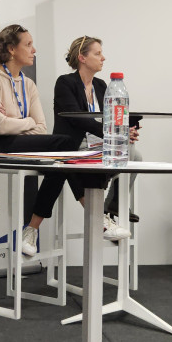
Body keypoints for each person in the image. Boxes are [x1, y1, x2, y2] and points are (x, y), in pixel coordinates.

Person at [0, 25, 108, 256]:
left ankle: (33, 228)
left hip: (16, 141)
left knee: (63, 154)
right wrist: (26, 122)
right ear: (11, 49)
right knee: (66, 145)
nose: (34, 49)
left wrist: (15, 122)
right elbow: (0, 126)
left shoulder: (28, 84)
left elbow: (41, 127)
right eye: (28, 45)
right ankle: (96, 213)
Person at [52, 36, 134, 237]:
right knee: (93, 162)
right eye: (98, 53)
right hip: (74, 144)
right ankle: (101, 218)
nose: (103, 58)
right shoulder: (65, 82)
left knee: (134, 154)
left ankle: (111, 206)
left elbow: (112, 117)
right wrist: (112, 134)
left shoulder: (101, 85)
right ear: (82, 57)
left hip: (97, 144)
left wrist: (125, 132)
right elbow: (77, 119)